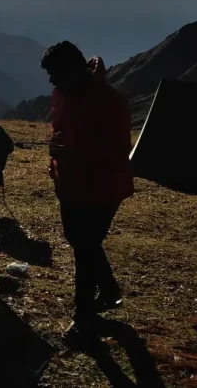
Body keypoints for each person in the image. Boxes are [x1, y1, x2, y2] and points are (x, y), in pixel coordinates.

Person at [41, 41, 134, 340]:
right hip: (69, 181)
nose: (52, 82)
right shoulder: (64, 94)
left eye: (56, 74)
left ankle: (84, 317)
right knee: (80, 241)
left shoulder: (109, 102)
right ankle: (108, 291)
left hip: (102, 187)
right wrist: (58, 155)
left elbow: (117, 151)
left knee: (85, 245)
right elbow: (62, 131)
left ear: (74, 71)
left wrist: (73, 152)